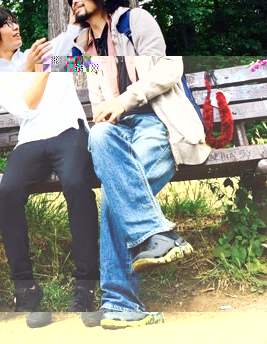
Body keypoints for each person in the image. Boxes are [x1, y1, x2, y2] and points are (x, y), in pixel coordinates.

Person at [83, 56, 210, 329]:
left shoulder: (144, 35)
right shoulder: (90, 56)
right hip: (118, 132)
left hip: (159, 125)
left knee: (116, 190)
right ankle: (160, 235)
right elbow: (55, 63)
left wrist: (123, 101)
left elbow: (172, 68)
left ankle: (119, 303)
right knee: (99, 135)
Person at [0, 72, 99, 328]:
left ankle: (85, 285)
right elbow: (25, 106)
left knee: (76, 183)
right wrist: (41, 69)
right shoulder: (2, 79)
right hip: (30, 141)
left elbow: (91, 64)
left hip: (70, 132)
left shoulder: (56, 60)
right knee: (8, 192)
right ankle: (25, 287)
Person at [67, 0, 165, 56]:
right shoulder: (81, 45)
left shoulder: (134, 20)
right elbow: (61, 66)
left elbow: (155, 65)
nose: (74, 1)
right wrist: (71, 29)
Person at [0, 6, 79, 72]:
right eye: (7, 24)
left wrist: (74, 26)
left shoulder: (32, 58)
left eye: (14, 22)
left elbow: (71, 63)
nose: (16, 27)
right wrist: (28, 70)